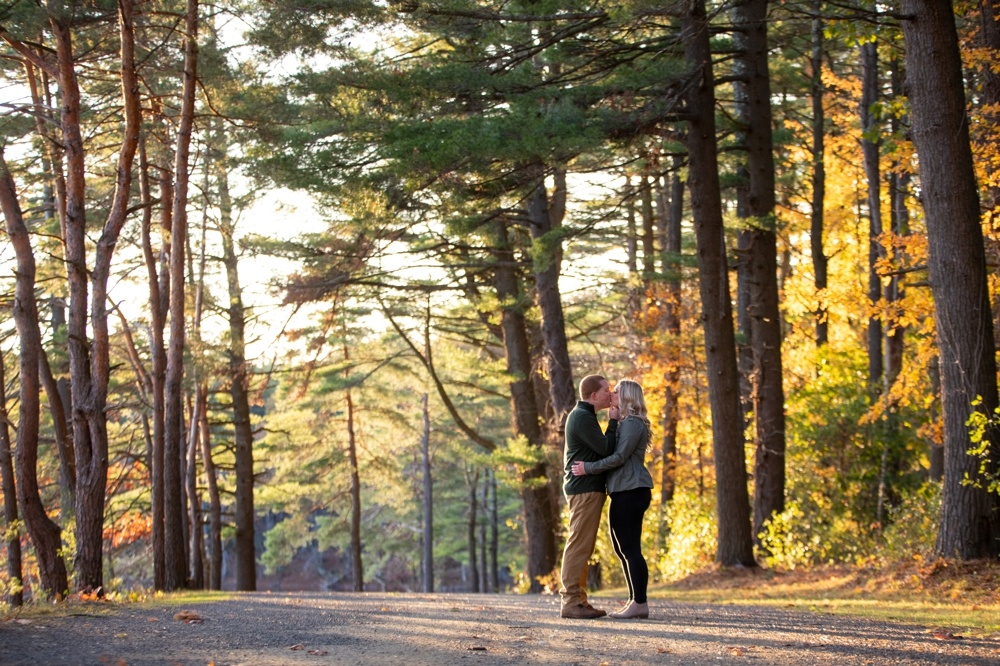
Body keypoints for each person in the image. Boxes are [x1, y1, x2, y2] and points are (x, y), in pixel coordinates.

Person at [571, 378, 653, 619]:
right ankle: (634, 601)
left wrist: (589, 468)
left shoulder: (633, 424)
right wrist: (613, 422)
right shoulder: (627, 423)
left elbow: (618, 457)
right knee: (622, 548)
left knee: (630, 548)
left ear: (626, 397)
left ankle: (640, 603)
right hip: (623, 490)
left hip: (632, 490)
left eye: (615, 392)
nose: (611, 394)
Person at [559, 374, 620, 619]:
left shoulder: (585, 416)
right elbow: (607, 448)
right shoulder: (583, 417)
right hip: (583, 489)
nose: (611, 393)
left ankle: (579, 601)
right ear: (594, 395)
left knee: (584, 546)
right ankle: (571, 600)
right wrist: (613, 421)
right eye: (607, 390)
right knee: (578, 545)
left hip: (587, 488)